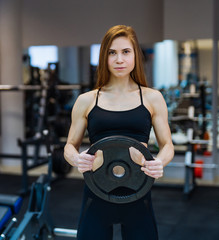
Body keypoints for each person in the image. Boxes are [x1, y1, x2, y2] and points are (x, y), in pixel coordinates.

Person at [64, 25, 174, 240]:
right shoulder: (87, 100)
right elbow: (69, 145)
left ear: (135, 56)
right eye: (112, 53)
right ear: (104, 57)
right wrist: (77, 159)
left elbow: (167, 145)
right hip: (97, 189)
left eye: (126, 52)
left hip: (137, 189)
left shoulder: (152, 98)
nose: (119, 59)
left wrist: (159, 162)